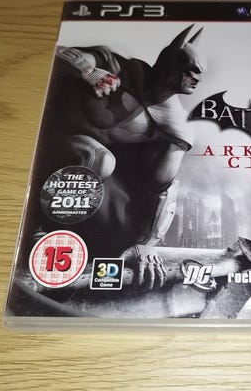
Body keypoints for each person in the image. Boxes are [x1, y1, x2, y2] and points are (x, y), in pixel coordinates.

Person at [51, 25, 206, 290]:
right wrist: (88, 70)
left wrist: (147, 244)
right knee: (97, 158)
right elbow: (59, 53)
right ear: (171, 64)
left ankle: (57, 237)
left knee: (100, 161)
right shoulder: (122, 67)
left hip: (88, 170)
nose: (197, 78)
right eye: (191, 70)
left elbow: (162, 189)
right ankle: (41, 229)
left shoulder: (176, 126)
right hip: (49, 137)